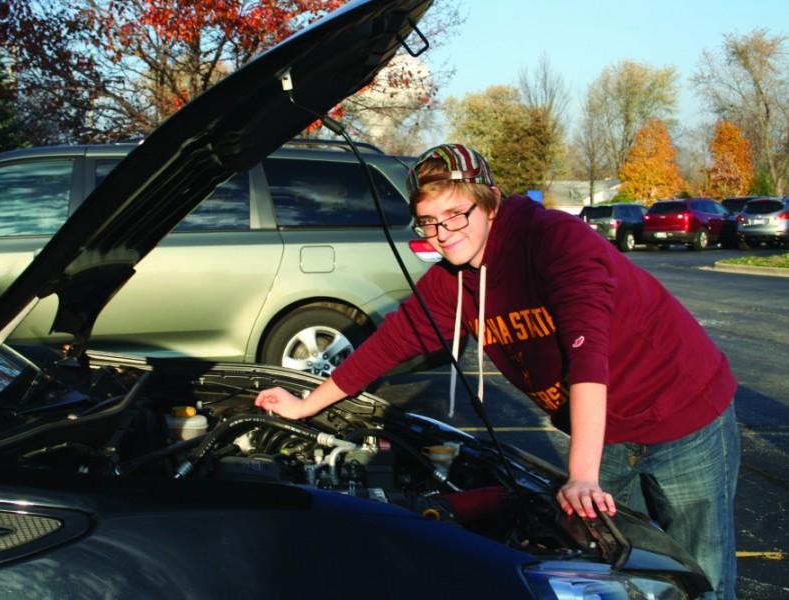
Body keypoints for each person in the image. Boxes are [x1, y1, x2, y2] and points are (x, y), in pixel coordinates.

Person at [255, 143, 740, 599]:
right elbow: (391, 343)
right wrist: (305, 405)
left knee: (701, 572)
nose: (443, 234)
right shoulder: (455, 283)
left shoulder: (553, 240)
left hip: (683, 414)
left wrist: (583, 476)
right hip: (604, 432)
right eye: (428, 222)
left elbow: (588, 352)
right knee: (607, 575)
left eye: (455, 214)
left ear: (489, 204)